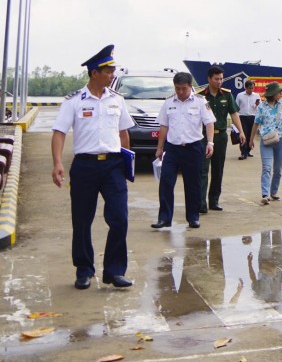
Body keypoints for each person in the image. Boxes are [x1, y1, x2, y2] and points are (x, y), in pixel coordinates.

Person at [50, 44, 136, 290]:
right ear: (94, 73)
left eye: (112, 70)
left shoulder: (117, 100)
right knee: (82, 220)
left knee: (119, 218)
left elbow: (123, 133)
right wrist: (57, 163)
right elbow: (59, 133)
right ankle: (84, 269)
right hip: (85, 167)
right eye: (108, 71)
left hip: (113, 166)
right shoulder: (74, 101)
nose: (112, 75)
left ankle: (115, 271)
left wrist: (126, 161)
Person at [154, 71, 215, 230]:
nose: (180, 92)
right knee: (166, 183)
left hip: (193, 148)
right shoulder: (168, 102)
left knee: (192, 184)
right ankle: (164, 218)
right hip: (172, 149)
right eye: (177, 89)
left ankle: (193, 217)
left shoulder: (200, 102)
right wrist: (160, 148)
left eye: (184, 89)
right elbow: (164, 126)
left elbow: (209, 123)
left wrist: (210, 143)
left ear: (190, 87)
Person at [198, 66, 245, 213]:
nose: (220, 82)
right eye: (216, 79)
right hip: (203, 137)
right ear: (209, 79)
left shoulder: (227, 95)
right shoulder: (200, 96)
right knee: (203, 170)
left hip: (221, 136)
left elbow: (234, 113)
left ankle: (214, 200)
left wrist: (241, 131)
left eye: (221, 79)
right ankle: (201, 203)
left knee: (218, 169)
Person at [254, 81, 282, 205]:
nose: (281, 93)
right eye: (279, 91)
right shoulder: (262, 107)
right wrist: (250, 140)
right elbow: (256, 123)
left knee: (278, 169)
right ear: (272, 93)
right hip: (266, 140)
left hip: (281, 140)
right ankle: (265, 194)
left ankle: (274, 191)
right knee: (266, 167)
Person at [237, 79, 260, 159]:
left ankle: (248, 150)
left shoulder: (256, 96)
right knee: (243, 134)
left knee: (251, 135)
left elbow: (258, 108)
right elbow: (236, 107)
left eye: (252, 88)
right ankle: (243, 152)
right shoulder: (240, 95)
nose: (251, 90)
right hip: (242, 117)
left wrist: (256, 105)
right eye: (249, 88)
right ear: (245, 87)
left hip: (252, 117)